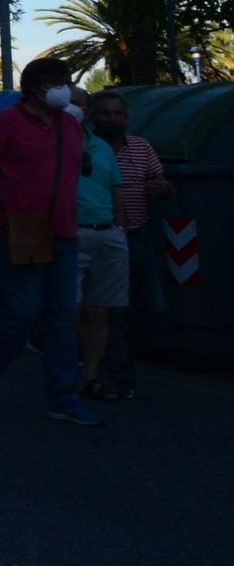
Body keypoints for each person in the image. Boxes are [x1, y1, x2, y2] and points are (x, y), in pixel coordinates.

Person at [0, 58, 102, 426]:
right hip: (19, 230)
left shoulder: (69, 127)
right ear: (35, 88)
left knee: (61, 317)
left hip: (64, 231)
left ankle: (63, 397)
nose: (66, 88)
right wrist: (3, 209)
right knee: (23, 313)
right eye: (58, 81)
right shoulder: (4, 124)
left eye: (67, 80)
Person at [94, 90, 175, 399]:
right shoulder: (90, 150)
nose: (112, 119)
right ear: (93, 117)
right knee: (114, 310)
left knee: (155, 304)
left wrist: (163, 189)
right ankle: (119, 373)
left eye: (117, 114)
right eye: (105, 114)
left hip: (138, 236)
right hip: (105, 237)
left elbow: (164, 185)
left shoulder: (141, 147)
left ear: (126, 118)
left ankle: (122, 355)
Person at [70, 86, 127, 403]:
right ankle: (65, 373)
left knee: (100, 310)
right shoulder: (52, 145)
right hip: (70, 234)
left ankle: (90, 376)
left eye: (79, 104)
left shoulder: (103, 148)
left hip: (107, 233)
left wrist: (120, 227)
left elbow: (115, 187)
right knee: (71, 308)